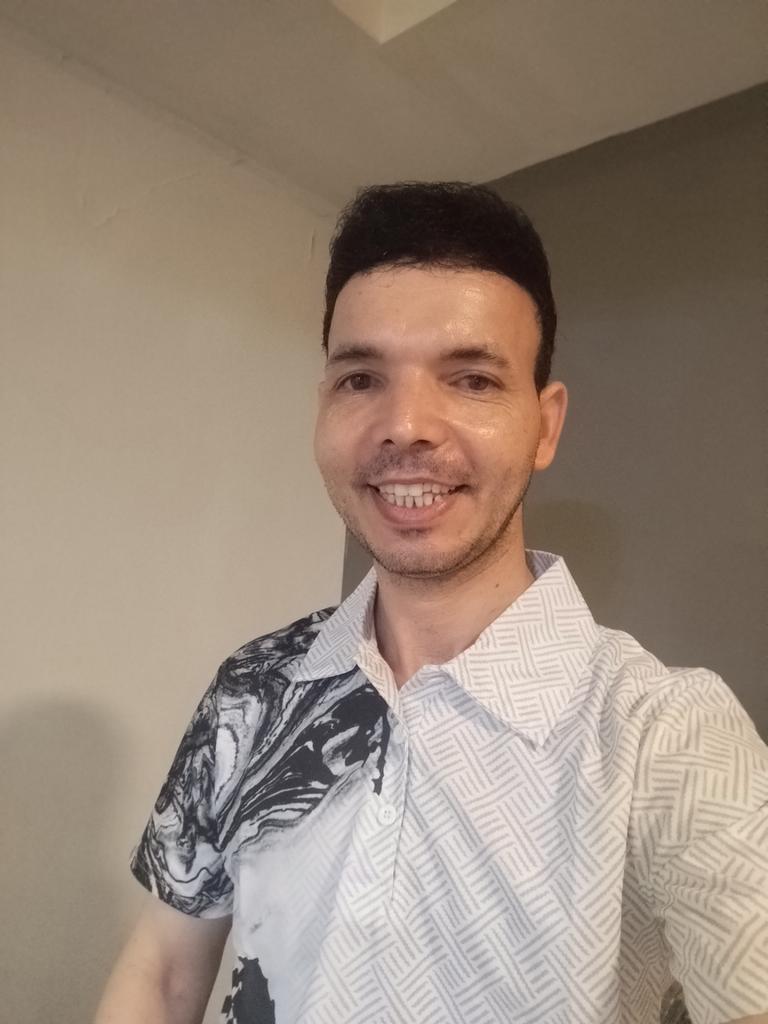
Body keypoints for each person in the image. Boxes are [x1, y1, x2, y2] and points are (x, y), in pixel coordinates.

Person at [94, 183, 768, 1024]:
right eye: (361, 378)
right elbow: (163, 973)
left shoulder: (667, 735)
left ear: (545, 426)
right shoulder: (251, 690)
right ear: (323, 406)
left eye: (472, 379)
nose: (405, 424)